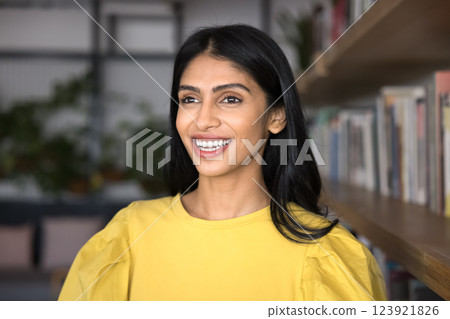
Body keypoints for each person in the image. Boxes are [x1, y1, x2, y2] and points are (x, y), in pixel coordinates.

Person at [58, 24, 386, 301]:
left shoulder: (327, 253)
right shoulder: (126, 235)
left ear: (276, 116)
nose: (202, 120)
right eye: (189, 99)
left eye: (230, 99)